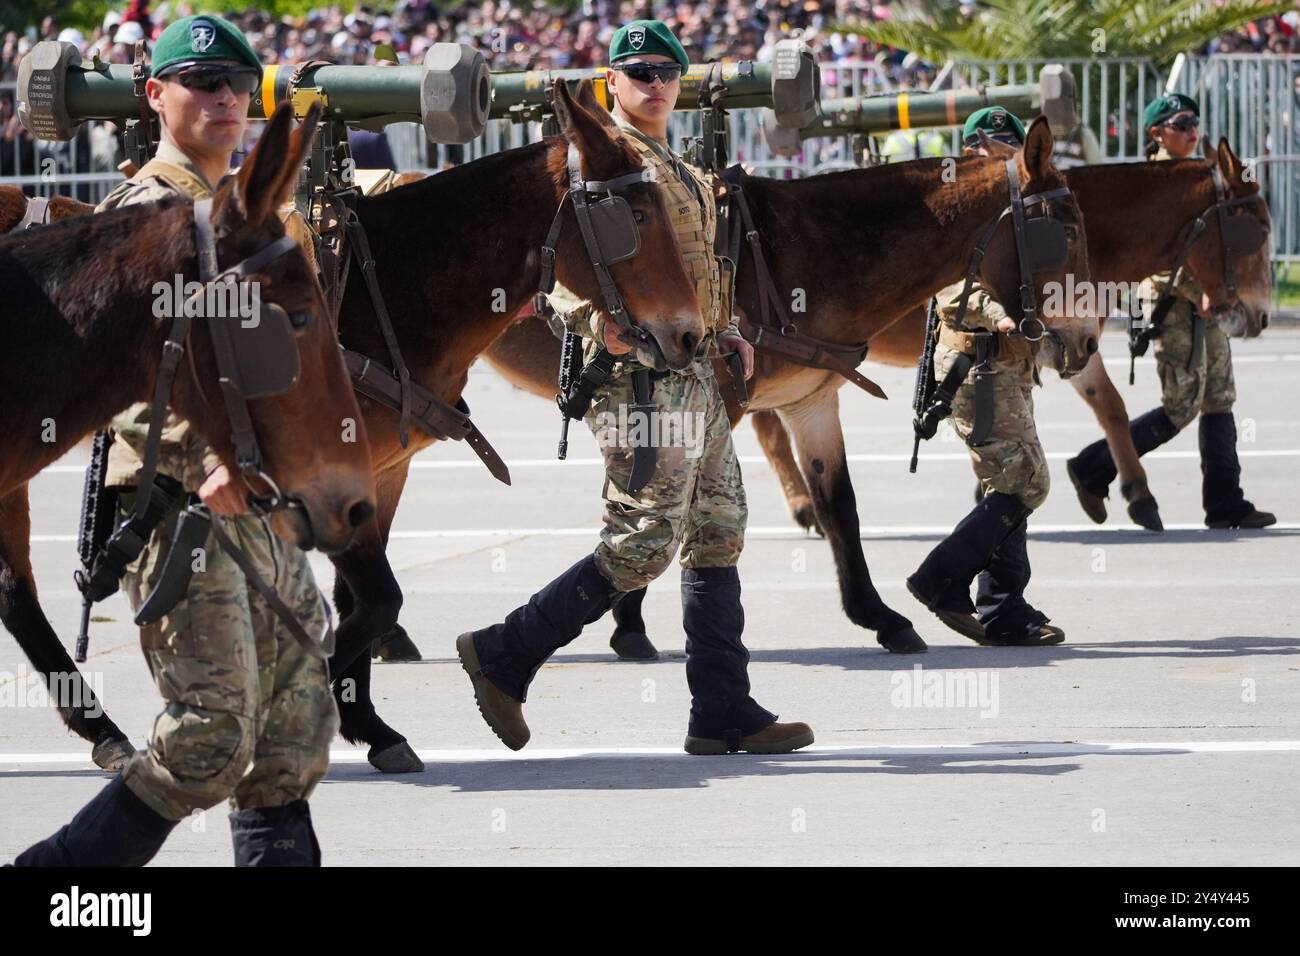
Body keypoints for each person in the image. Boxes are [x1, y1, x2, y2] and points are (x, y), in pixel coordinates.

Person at [12, 14, 338, 868]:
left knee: (293, 723)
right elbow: (114, 374)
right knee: (209, 737)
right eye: (201, 81)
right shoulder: (145, 212)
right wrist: (210, 465)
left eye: (238, 82)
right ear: (156, 95)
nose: (224, 96)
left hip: (259, 500)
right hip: (180, 511)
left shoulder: (251, 211)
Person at [456, 19, 813, 756]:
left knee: (718, 532)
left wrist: (728, 329)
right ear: (609, 83)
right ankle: (506, 651)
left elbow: (694, 272)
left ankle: (722, 711)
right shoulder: (593, 160)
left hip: (699, 369)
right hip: (636, 378)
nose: (654, 81)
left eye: (665, 70)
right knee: (643, 539)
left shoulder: (671, 164)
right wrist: (595, 320)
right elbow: (550, 264)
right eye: (638, 70)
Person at [1065, 94, 1275, 531]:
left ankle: (1225, 504)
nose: (1192, 130)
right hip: (1169, 304)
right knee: (1180, 406)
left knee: (1220, 397)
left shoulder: (1202, 176)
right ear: (1156, 132)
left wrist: (1220, 290)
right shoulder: (1151, 182)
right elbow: (1148, 253)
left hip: (1210, 299)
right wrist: (1194, 289)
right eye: (1181, 123)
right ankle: (1094, 467)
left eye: (1195, 122)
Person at [906, 107, 1065, 648]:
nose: (999, 155)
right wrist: (997, 313)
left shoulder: (1013, 213)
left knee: (1009, 481)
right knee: (1026, 483)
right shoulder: (957, 213)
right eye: (990, 146)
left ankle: (1004, 606)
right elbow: (954, 291)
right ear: (971, 151)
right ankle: (940, 577)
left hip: (1010, 363)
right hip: (978, 363)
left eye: (1008, 147)